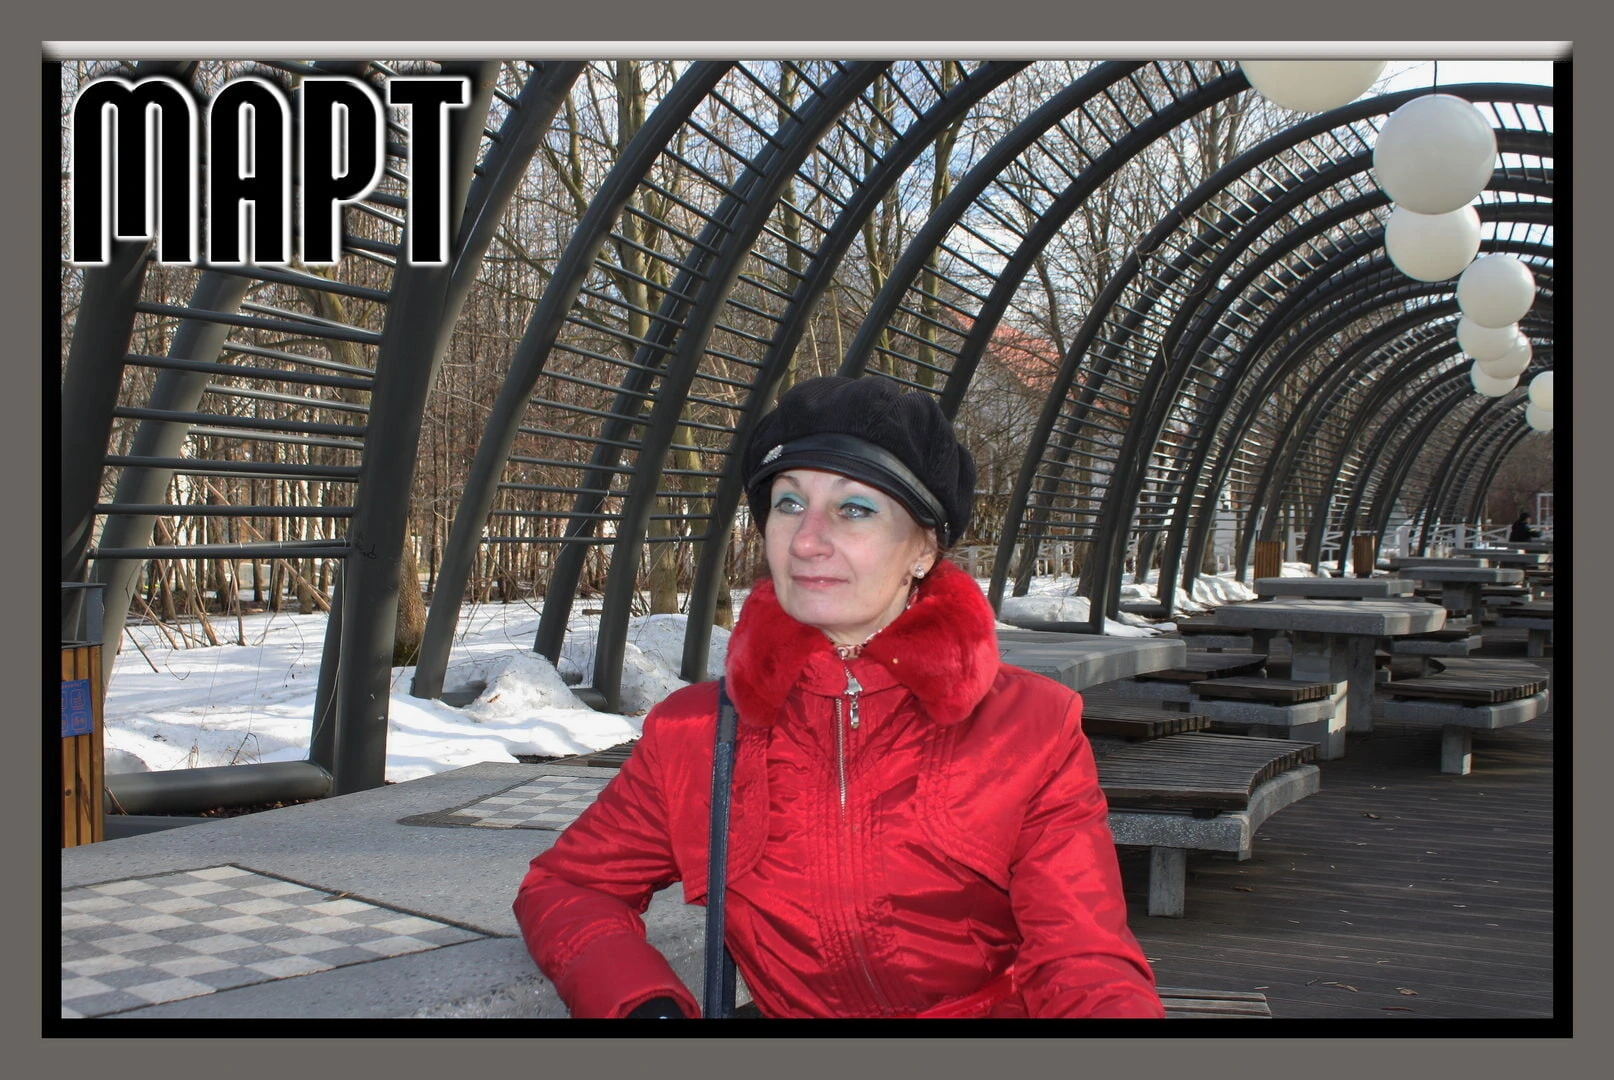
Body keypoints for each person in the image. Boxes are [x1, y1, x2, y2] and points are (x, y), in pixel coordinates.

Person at [513, 375, 1164, 1019]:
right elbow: (568, 886)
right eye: (788, 503)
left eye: (854, 509)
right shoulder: (698, 734)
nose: (806, 540)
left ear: (923, 548)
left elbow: (1084, 960)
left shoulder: (1028, 727)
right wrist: (642, 1006)